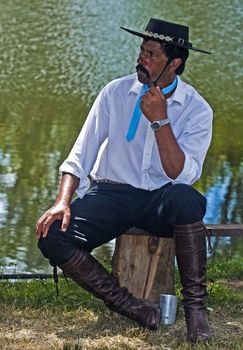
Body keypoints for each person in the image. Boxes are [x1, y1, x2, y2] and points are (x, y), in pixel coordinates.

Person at [36, 18, 213, 343]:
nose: (141, 59)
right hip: (110, 195)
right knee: (51, 234)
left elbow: (182, 174)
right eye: (141, 50)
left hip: (161, 200)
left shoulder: (197, 110)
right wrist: (62, 202)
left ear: (175, 63)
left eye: (151, 54)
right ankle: (132, 307)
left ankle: (196, 312)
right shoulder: (115, 92)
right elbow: (80, 154)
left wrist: (160, 119)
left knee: (188, 200)